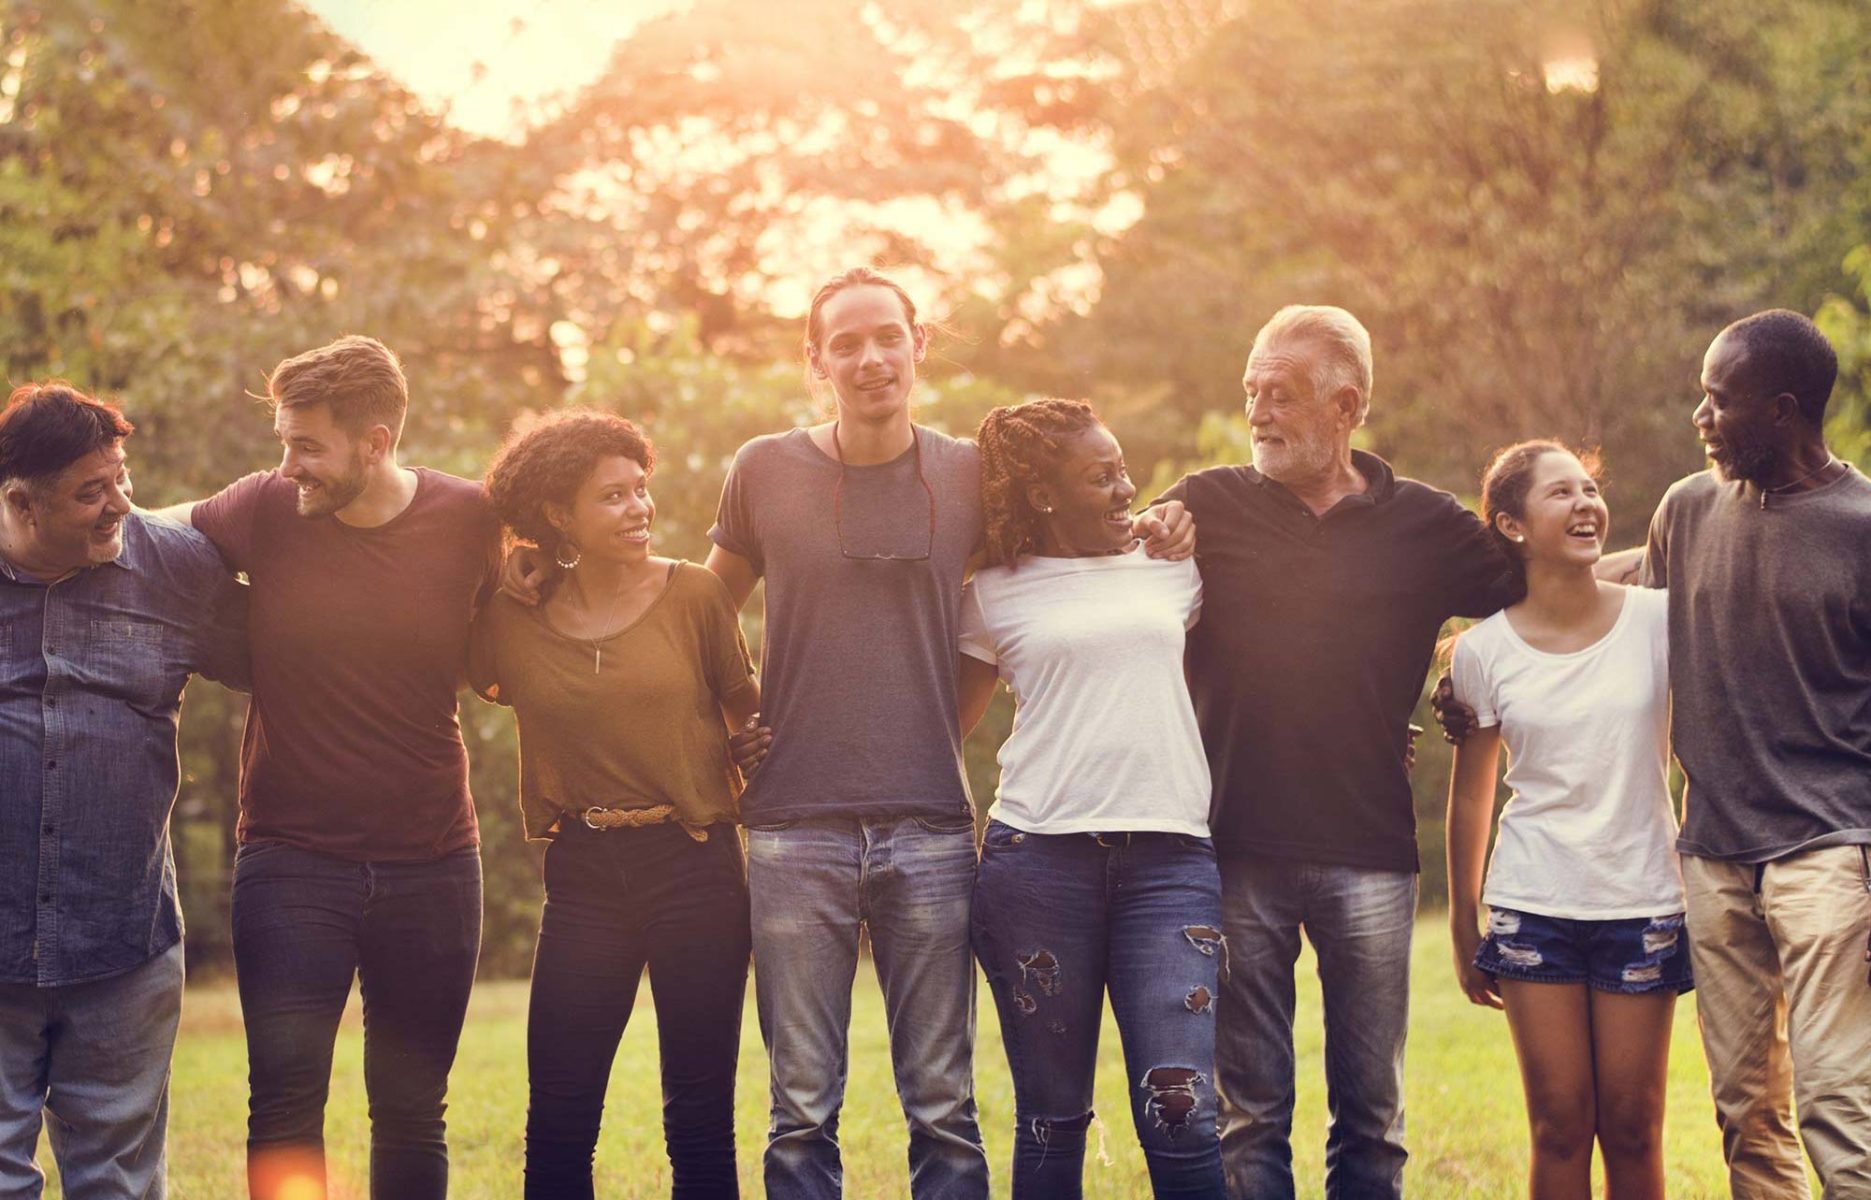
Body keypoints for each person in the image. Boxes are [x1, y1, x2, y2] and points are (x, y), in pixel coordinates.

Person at [501, 267, 1193, 1199]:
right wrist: (553, 571)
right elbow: (688, 615)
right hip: (793, 828)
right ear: (816, 362)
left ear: (916, 342)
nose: (871, 358)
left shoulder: (966, 475)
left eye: (887, 337)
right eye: (846, 344)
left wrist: (1156, 523)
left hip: (934, 829)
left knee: (944, 1104)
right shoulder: (763, 469)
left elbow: (1041, 578)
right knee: (799, 1106)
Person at [1153, 305, 1518, 1199]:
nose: (1259, 411)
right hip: (1234, 848)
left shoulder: (1426, 524)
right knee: (1249, 1116)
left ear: (1345, 405)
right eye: (1252, 392)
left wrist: (1460, 679)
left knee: (1372, 1119)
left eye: (1281, 395)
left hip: (1371, 856)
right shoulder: (1206, 503)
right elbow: (1104, 568)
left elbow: (1543, 590)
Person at [163, 336, 501, 1200]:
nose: (288, 466)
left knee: (413, 1107)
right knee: (282, 1105)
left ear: (377, 442)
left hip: (432, 861)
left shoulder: (468, 519)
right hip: (290, 862)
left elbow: (522, 619)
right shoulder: (266, 508)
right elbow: (146, 535)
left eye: (307, 446)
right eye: (283, 441)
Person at [469, 410, 762, 1199]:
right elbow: (438, 568)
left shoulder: (696, 593)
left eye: (641, 490)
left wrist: (755, 751)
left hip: (694, 864)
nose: (638, 508)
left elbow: (747, 713)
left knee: (699, 1115)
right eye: (612, 496)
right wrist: (506, 566)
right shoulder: (511, 615)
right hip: (585, 872)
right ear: (557, 515)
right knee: (559, 1113)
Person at [958, 399, 1225, 1199]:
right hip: (1036, 865)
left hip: (1171, 864)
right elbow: (940, 725)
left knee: (1180, 1110)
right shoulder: (991, 593)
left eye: (1123, 471)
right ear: (1043, 497)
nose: (1125, 487)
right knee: (1050, 1115)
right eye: (1101, 475)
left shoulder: (1175, 565)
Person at [0, 384, 247, 1198]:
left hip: (123, 938)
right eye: (89, 492)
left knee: (119, 1181)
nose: (119, 505)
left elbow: (299, 652)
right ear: (20, 504)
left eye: (122, 479)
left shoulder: (175, 569)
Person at [1444, 441, 1687, 1200]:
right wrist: (1461, 920)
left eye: (1589, 488)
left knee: (1631, 1125)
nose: (1585, 502)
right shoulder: (1480, 653)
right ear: (1512, 525)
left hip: (1642, 897)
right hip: (1532, 906)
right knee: (1556, 1125)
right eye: (1561, 493)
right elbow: (1471, 794)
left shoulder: (1660, 621)